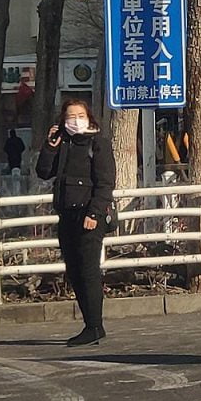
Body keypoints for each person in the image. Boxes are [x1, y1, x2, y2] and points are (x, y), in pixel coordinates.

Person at [36, 99, 116, 346]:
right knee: (74, 271)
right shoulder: (64, 144)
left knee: (88, 270)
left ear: (89, 118)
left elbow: (105, 183)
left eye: (80, 115)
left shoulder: (97, 143)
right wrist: (50, 147)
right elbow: (43, 172)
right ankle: (89, 324)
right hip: (67, 215)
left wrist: (94, 214)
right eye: (70, 116)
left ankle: (94, 326)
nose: (75, 120)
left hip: (89, 216)